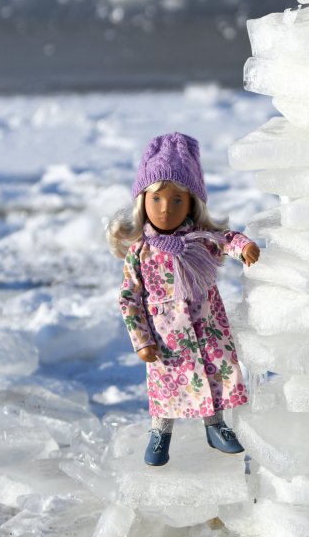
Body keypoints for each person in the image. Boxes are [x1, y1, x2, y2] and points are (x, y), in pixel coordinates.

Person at [107, 131, 260, 467]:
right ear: (142, 203)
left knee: (213, 376)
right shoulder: (140, 252)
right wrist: (141, 340)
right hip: (167, 337)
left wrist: (243, 246)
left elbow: (226, 239)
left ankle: (215, 425)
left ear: (192, 204)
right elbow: (129, 299)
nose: (166, 208)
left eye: (178, 200)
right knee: (166, 387)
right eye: (157, 199)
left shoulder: (199, 241)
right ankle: (160, 432)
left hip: (207, 328)